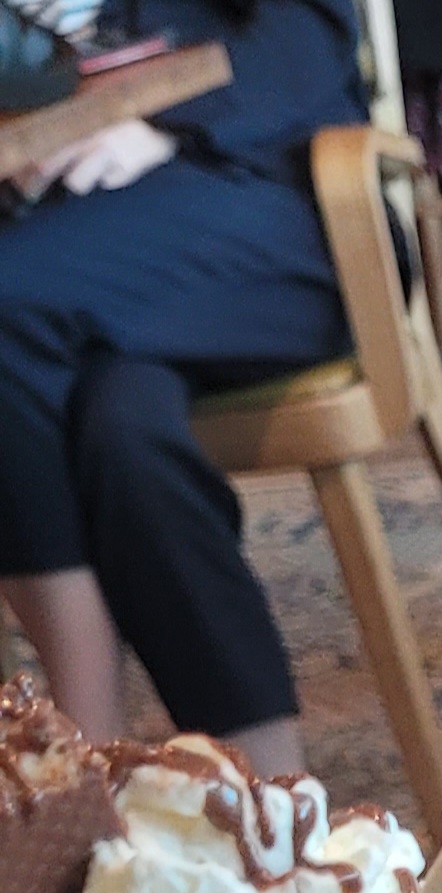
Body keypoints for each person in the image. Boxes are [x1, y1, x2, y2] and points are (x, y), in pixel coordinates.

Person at [0, 0, 364, 774]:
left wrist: (160, 123)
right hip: (68, 249)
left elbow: (307, 37)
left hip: (252, 190)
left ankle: (76, 757)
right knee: (124, 435)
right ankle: (274, 794)